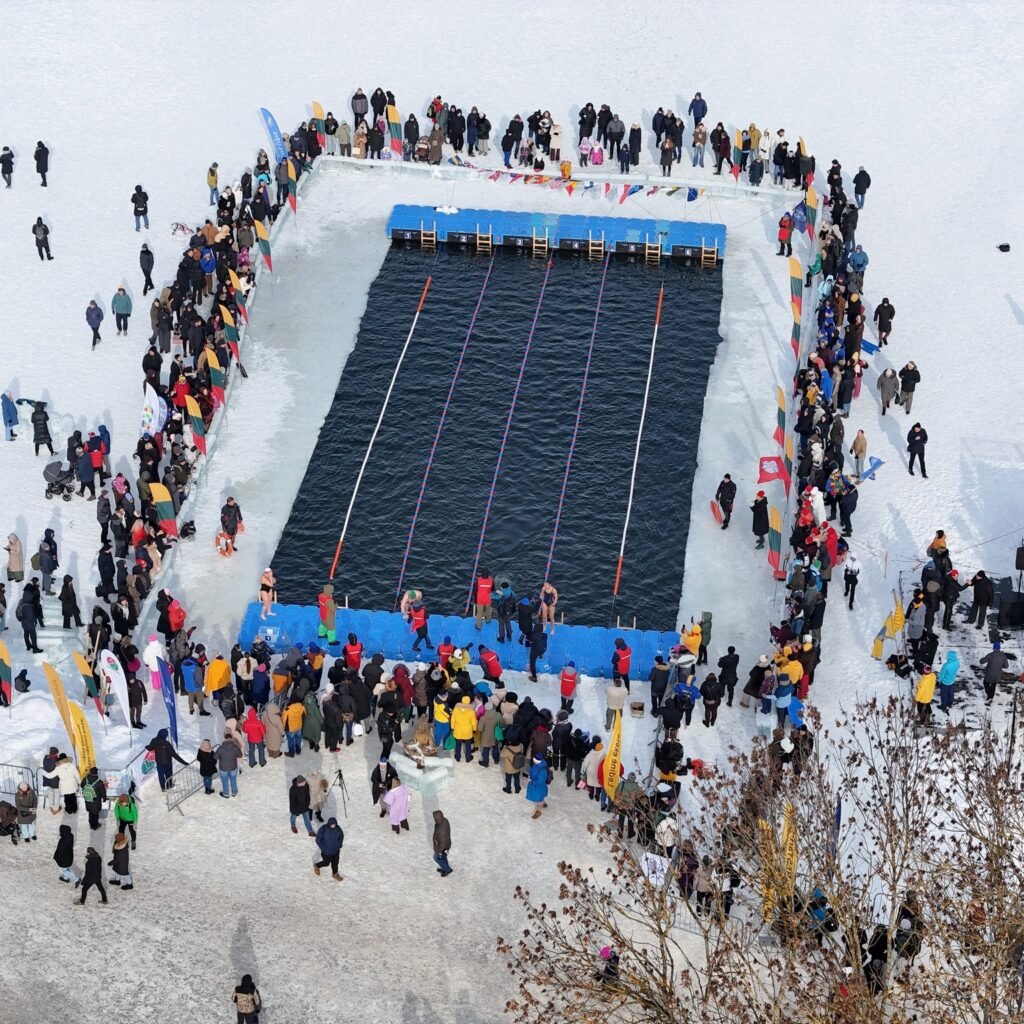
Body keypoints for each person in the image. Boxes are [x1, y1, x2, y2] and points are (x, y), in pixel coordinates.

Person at [450, 695, 477, 763]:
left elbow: (453, 720)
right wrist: (474, 729)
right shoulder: (471, 711)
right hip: (467, 731)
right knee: (468, 745)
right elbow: (474, 722)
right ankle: (468, 758)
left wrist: (452, 727)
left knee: (458, 744)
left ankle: (458, 757)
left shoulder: (456, 709)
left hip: (458, 730)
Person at [217, 730, 242, 798]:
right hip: (233, 767)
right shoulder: (235, 747)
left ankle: (226, 794)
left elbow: (215, 757)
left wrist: (221, 756)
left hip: (223, 768)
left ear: (225, 739)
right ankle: (234, 792)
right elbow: (240, 755)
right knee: (233, 779)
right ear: (231, 738)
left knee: (224, 781)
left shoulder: (221, 748)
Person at [82, 766, 107, 830]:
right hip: (96, 801)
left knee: (90, 812)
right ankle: (95, 826)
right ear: (96, 773)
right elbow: (103, 791)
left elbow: (82, 785)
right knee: (95, 813)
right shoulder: (99, 782)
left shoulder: (85, 779)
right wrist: (104, 798)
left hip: (88, 799)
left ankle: (91, 825)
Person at [432, 809, 453, 876]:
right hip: (447, 845)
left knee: (436, 857)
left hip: (442, 847)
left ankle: (447, 869)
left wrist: (438, 850)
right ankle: (445, 868)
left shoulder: (440, 829)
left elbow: (442, 841)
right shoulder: (444, 820)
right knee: (443, 856)